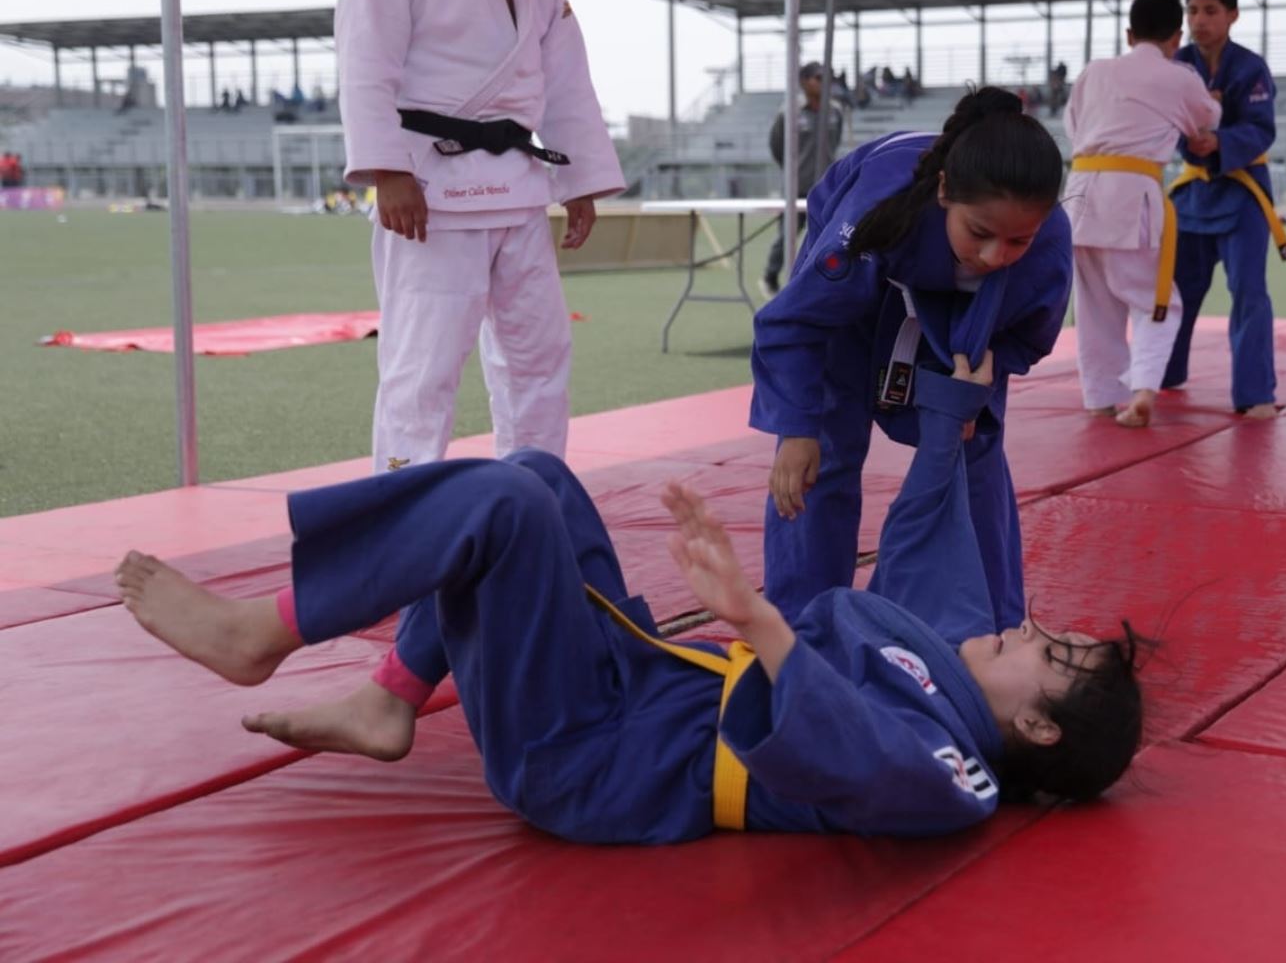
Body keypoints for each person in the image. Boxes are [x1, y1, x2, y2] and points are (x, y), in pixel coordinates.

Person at [113, 352, 1146, 844]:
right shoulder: (946, 671)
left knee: (505, 506)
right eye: (1051, 629)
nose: (1028, 626)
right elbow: (932, 544)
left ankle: (263, 632)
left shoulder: (954, 776)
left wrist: (760, 623)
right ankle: (390, 698)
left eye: (1050, 652)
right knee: (539, 476)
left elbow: (855, 755)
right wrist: (955, 414)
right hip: (637, 691)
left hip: (595, 759)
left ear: (1039, 729)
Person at [336, 0, 623, 473]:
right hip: (430, 191)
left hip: (519, 190)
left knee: (539, 358)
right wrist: (387, 172)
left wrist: (579, 181)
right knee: (423, 367)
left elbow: (567, 83)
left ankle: (535, 494)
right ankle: (405, 514)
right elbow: (366, 65)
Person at [752, 88, 1072, 632]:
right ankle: (801, 629)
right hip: (857, 297)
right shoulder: (877, 208)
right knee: (820, 454)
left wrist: (985, 372)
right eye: (980, 233)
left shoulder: (1047, 248)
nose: (994, 255)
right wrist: (796, 428)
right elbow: (797, 322)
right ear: (944, 191)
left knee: (974, 453)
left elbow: (1027, 338)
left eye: (1017, 240)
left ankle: (990, 628)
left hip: (968, 331)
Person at [1065, 0, 1221, 428]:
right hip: (1130, 194)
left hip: (1079, 194)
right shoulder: (1180, 76)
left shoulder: (1093, 72)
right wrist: (1214, 105)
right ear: (1176, 37)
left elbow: (1074, 127)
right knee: (1155, 299)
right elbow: (1206, 121)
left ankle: (1099, 398)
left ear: (1129, 34)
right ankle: (1144, 389)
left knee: (1094, 308)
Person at [1159, 0, 1286, 418]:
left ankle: (1254, 392)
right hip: (1193, 194)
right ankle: (1162, 372)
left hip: (1243, 192)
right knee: (1175, 290)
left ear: (1232, 15)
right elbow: (1164, 121)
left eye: (1210, 11)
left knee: (1249, 291)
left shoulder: (1251, 68)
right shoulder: (1177, 65)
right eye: (1193, 11)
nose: (1199, 20)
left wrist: (1219, 140)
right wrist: (1191, 137)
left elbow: (1261, 129)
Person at [763, 61, 845, 297]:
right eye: (819, 78)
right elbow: (777, 145)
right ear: (804, 81)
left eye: (828, 77)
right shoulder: (789, 113)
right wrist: (794, 170)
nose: (825, 82)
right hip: (798, 186)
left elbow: (835, 142)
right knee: (787, 235)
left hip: (827, 187)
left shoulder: (835, 111)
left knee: (828, 235)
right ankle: (770, 276)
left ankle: (819, 282)